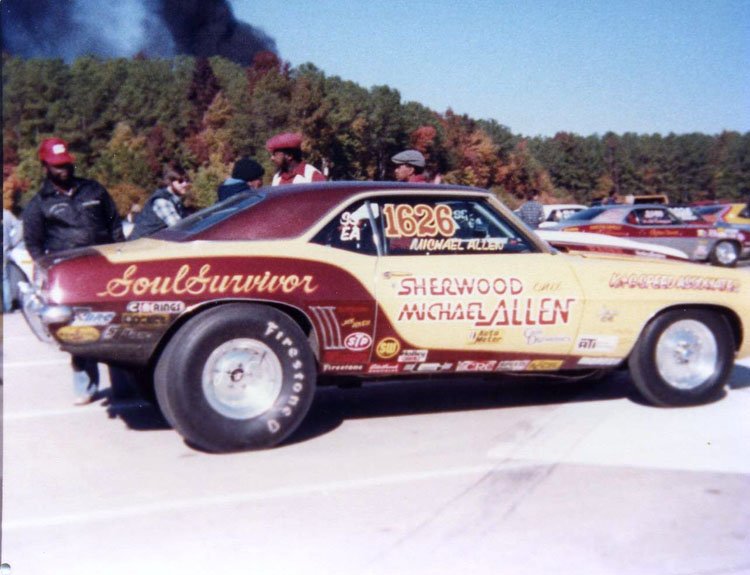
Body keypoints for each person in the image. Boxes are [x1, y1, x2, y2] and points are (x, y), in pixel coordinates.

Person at [23, 137, 125, 405]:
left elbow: (115, 225)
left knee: (117, 323)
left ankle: (124, 384)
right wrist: (49, 270)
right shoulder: (39, 204)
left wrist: (122, 256)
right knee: (79, 331)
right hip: (71, 278)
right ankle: (85, 386)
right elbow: (33, 244)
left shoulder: (94, 191)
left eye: (66, 164)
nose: (64, 169)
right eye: (57, 166)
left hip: (106, 268)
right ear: (45, 166)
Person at [129, 166, 190, 239]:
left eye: (187, 180)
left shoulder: (175, 200)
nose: (185, 184)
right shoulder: (162, 202)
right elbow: (179, 228)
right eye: (180, 181)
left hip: (155, 241)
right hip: (141, 243)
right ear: (170, 182)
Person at [3, 208, 22, 312]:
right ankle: (8, 308)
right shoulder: (6, 214)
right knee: (4, 280)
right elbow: (20, 226)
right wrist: (12, 242)